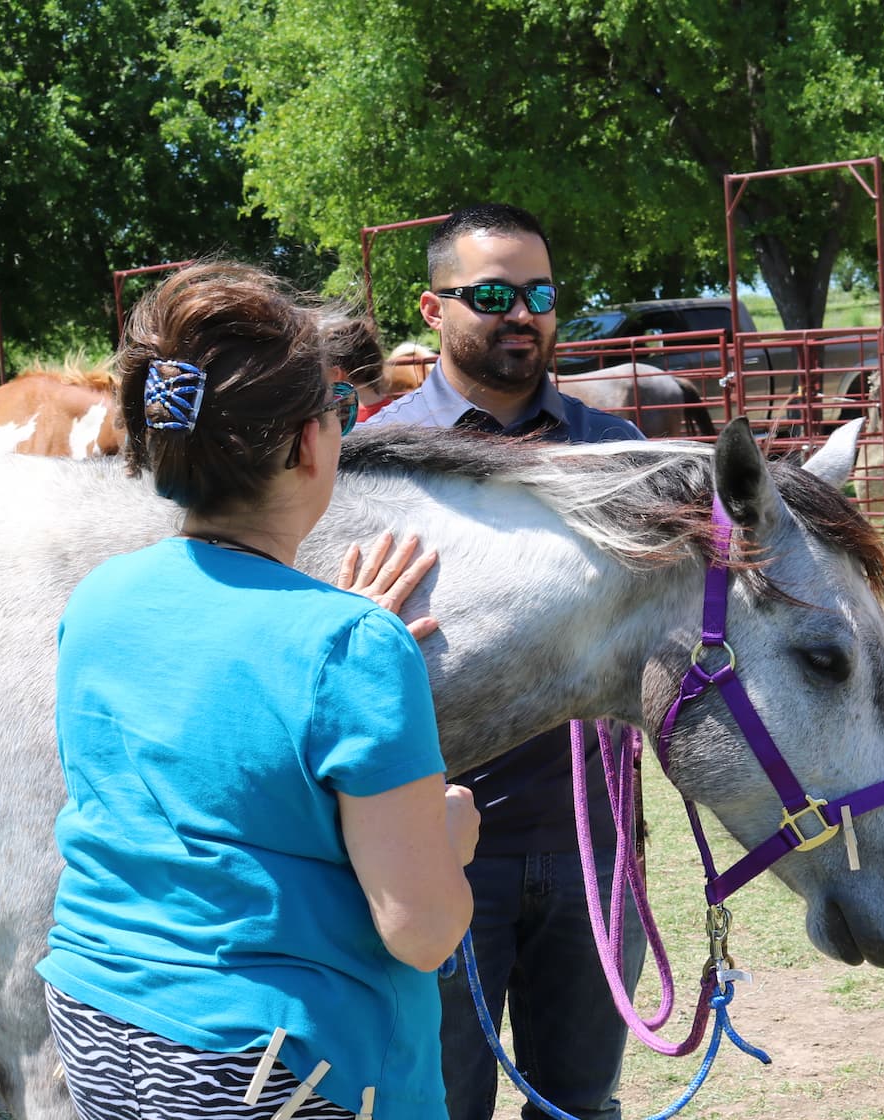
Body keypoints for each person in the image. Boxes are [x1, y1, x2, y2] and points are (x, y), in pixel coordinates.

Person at [38, 261, 478, 1120]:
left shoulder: (99, 597)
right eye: (340, 411)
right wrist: (450, 837)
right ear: (307, 442)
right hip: (270, 1065)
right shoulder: (350, 647)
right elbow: (421, 931)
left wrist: (329, 632)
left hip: (97, 1017)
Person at [364, 203, 649, 1120]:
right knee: (439, 1108)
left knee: (582, 1104)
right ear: (432, 308)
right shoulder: (372, 461)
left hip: (594, 843)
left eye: (539, 293)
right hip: (433, 844)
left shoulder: (619, 455)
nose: (519, 312)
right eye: (491, 293)